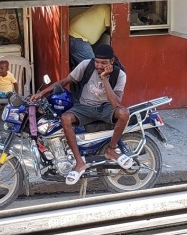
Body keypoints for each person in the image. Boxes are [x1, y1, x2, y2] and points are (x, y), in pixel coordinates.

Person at [31, 44, 131, 186]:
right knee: (65, 118)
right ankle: (79, 163)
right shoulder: (86, 65)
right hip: (84, 107)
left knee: (124, 113)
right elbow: (65, 81)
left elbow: (116, 105)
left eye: (104, 63)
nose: (99, 65)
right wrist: (41, 93)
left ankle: (111, 149)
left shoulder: (120, 75)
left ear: (112, 61)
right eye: (97, 61)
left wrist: (104, 79)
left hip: (106, 108)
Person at [68, 4, 111, 68]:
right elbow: (111, 29)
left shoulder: (100, 6)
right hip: (78, 38)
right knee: (92, 67)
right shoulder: (107, 9)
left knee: (81, 69)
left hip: (72, 35)